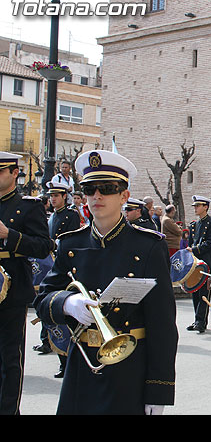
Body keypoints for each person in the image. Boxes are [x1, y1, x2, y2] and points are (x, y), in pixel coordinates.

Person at [33, 149, 178, 415]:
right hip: (82, 367)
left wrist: (159, 389)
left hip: (129, 370)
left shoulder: (148, 246)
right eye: (89, 189)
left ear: (124, 195)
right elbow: (42, 299)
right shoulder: (71, 243)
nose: (97, 196)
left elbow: (162, 326)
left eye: (107, 188)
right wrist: (68, 303)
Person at [0, 152, 52, 414]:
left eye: (0, 172)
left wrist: (10, 235)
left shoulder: (28, 206)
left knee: (9, 358)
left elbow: (44, 246)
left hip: (10, 289)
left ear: (13, 173)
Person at [41, 180, 81, 378]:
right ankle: (50, 344)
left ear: (64, 196)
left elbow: (70, 243)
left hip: (64, 269)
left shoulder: (71, 215)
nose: (53, 199)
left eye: (56, 196)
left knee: (64, 318)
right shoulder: (52, 217)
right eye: (51, 196)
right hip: (52, 265)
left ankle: (67, 361)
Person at [186, 195, 211, 333]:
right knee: (194, 292)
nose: (195, 208)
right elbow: (191, 243)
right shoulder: (194, 225)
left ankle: (201, 321)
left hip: (206, 261)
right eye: (195, 206)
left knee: (204, 293)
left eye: (198, 206)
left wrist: (194, 249)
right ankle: (197, 320)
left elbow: (210, 242)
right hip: (195, 262)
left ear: (205, 207)